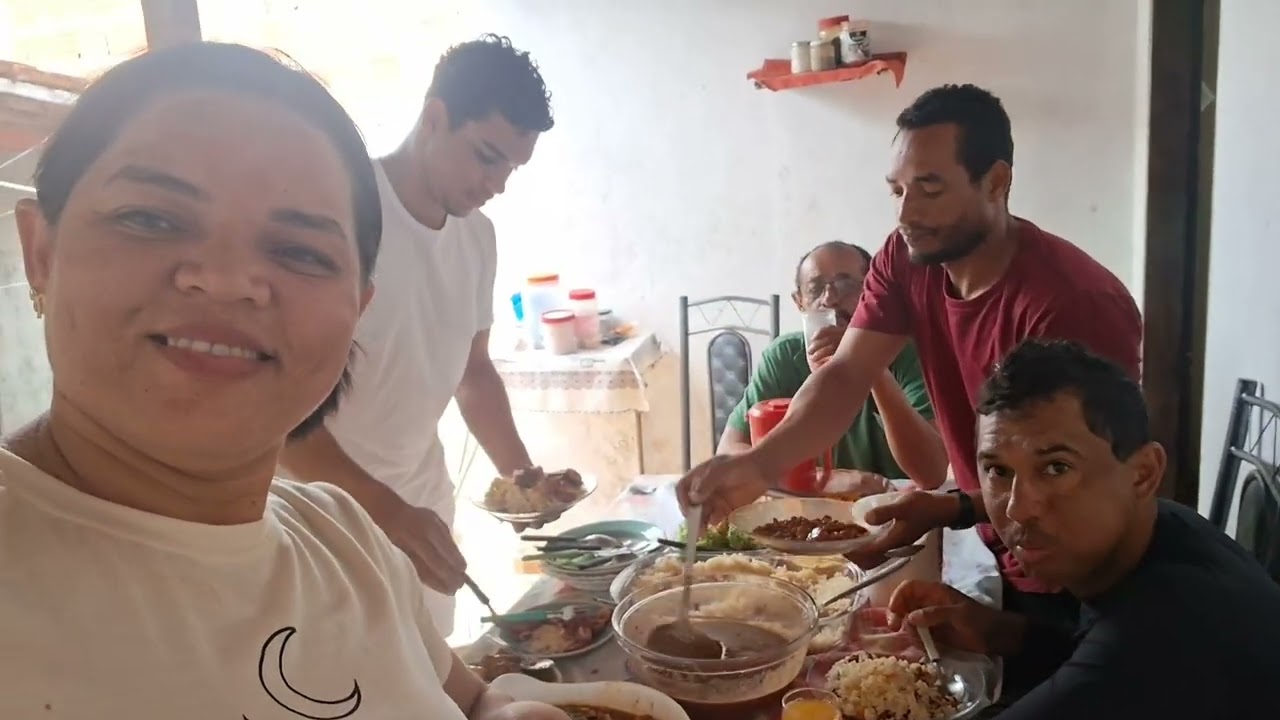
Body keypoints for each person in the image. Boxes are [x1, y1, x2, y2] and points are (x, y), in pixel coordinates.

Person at [0, 42, 569, 720]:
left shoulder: (344, 542)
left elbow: (471, 702)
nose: (227, 279)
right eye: (151, 219)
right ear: (41, 251)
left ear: (358, 305)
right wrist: (385, 507)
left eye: (300, 251)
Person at [678, 83, 1142, 687]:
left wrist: (961, 514)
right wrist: (760, 465)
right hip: (1004, 540)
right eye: (897, 190)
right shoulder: (906, 257)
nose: (905, 214)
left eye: (930, 188)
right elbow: (846, 373)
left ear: (996, 182)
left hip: (1081, 571)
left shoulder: (1069, 303)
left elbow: (1081, 486)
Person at [278, 34, 558, 637]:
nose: (499, 182)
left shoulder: (477, 237)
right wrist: (381, 508)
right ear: (435, 117)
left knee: (429, 675)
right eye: (487, 155)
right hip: (316, 511)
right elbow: (276, 412)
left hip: (419, 505)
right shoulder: (343, 215)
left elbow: (473, 372)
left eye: (512, 166)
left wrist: (523, 480)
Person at [889, 339, 1280, 717]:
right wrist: (998, 632)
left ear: (1143, 473)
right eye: (998, 471)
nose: (1018, 509)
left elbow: (1126, 663)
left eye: (1057, 468)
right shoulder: (1160, 526)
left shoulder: (1161, 635)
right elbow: (1089, 642)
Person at [718, 241, 947, 490]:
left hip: (892, 507)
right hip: (806, 510)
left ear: (874, 293)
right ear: (799, 303)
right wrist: (824, 480)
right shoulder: (785, 356)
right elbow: (730, 450)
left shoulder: (906, 354)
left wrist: (869, 363)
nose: (829, 299)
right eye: (815, 289)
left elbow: (932, 472)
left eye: (846, 285)